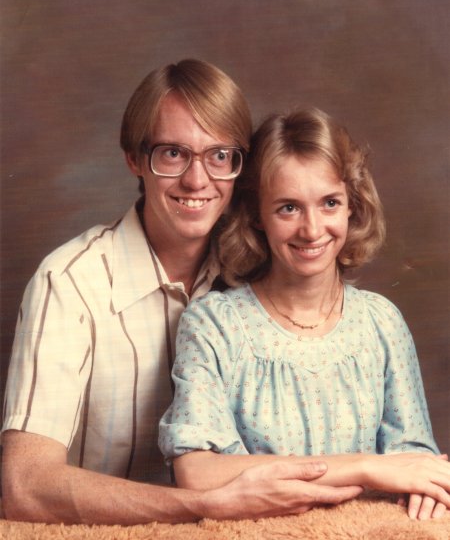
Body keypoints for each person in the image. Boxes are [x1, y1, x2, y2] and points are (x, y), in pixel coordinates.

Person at [1, 62, 362, 525]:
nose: (197, 180)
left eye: (219, 156)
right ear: (134, 158)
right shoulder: (70, 284)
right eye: (173, 154)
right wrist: (203, 507)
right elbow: (25, 486)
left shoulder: (258, 272)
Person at [159, 107, 450, 521]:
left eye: (330, 203)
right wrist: (363, 466)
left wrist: (427, 487)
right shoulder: (214, 325)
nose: (312, 230)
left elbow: (415, 462)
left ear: (352, 206)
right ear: (257, 215)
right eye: (288, 208)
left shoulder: (381, 323)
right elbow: (197, 472)